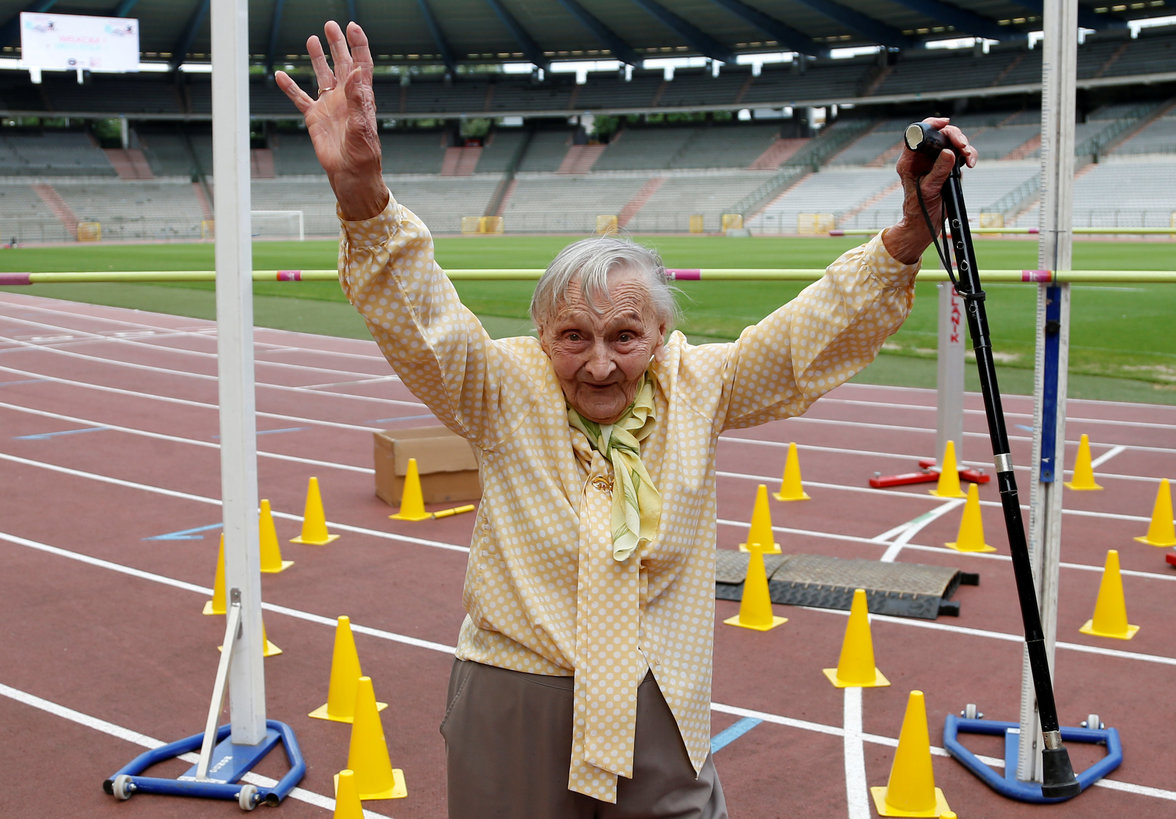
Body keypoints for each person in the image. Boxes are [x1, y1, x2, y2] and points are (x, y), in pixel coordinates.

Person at [277, 21, 976, 819]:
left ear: (661, 333)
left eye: (624, 336)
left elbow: (796, 346)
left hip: (659, 690)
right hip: (517, 693)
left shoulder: (697, 384)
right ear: (541, 335)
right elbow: (425, 319)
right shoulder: (502, 385)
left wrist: (908, 234)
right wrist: (362, 193)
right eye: (574, 337)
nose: (601, 364)